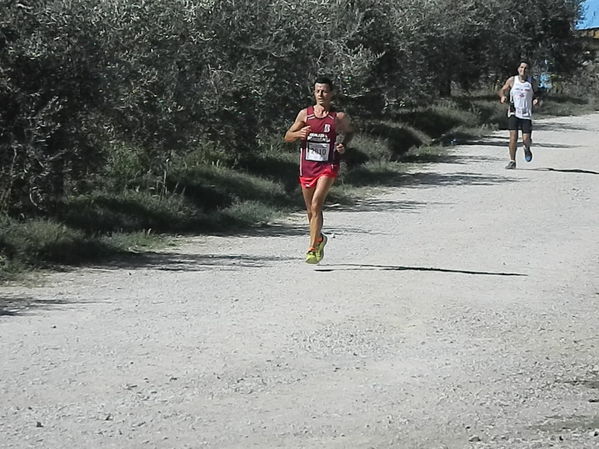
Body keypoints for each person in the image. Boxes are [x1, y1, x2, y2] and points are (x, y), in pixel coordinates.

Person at [284, 76, 353, 264]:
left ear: (331, 93)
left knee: (316, 205)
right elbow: (287, 136)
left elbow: (350, 131)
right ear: (314, 93)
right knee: (310, 210)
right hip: (307, 166)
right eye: (317, 91)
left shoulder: (338, 117)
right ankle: (320, 238)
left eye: (324, 91)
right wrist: (299, 133)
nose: (320, 94)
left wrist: (343, 145)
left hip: (328, 165)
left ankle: (312, 248)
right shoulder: (305, 115)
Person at [499, 61, 542, 169]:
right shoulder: (512, 80)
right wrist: (502, 96)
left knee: (526, 139)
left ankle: (526, 148)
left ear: (528, 70)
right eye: (521, 67)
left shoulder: (532, 82)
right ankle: (512, 161)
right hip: (514, 112)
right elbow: (502, 90)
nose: (523, 70)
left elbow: (537, 94)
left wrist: (536, 100)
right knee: (513, 138)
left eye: (526, 68)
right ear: (518, 69)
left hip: (526, 114)